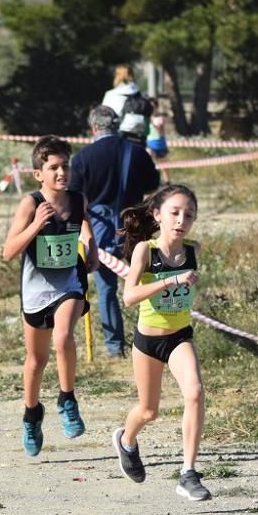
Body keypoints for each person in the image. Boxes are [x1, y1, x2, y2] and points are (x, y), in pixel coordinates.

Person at [112, 184, 211, 501]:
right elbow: (128, 297)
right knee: (149, 410)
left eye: (189, 215)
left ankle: (188, 473)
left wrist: (182, 284)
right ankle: (126, 440)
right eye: (175, 213)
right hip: (148, 341)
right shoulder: (147, 251)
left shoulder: (193, 251)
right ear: (157, 215)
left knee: (195, 392)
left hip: (179, 336)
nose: (182, 220)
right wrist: (170, 280)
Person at [2, 135, 99, 457]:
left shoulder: (76, 198)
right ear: (38, 174)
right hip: (35, 291)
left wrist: (92, 245)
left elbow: (84, 224)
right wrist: (36, 225)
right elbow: (8, 252)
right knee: (36, 361)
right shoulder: (31, 203)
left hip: (68, 284)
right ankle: (31, 415)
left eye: (65, 166)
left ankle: (67, 399)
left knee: (63, 338)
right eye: (54, 167)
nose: (61, 173)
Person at [68, 106, 161, 357]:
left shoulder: (82, 158)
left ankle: (114, 346)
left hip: (99, 228)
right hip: (134, 225)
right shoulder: (137, 152)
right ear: (116, 125)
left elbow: (74, 197)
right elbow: (153, 184)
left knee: (106, 289)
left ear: (93, 128)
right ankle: (152, 336)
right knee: (148, 281)